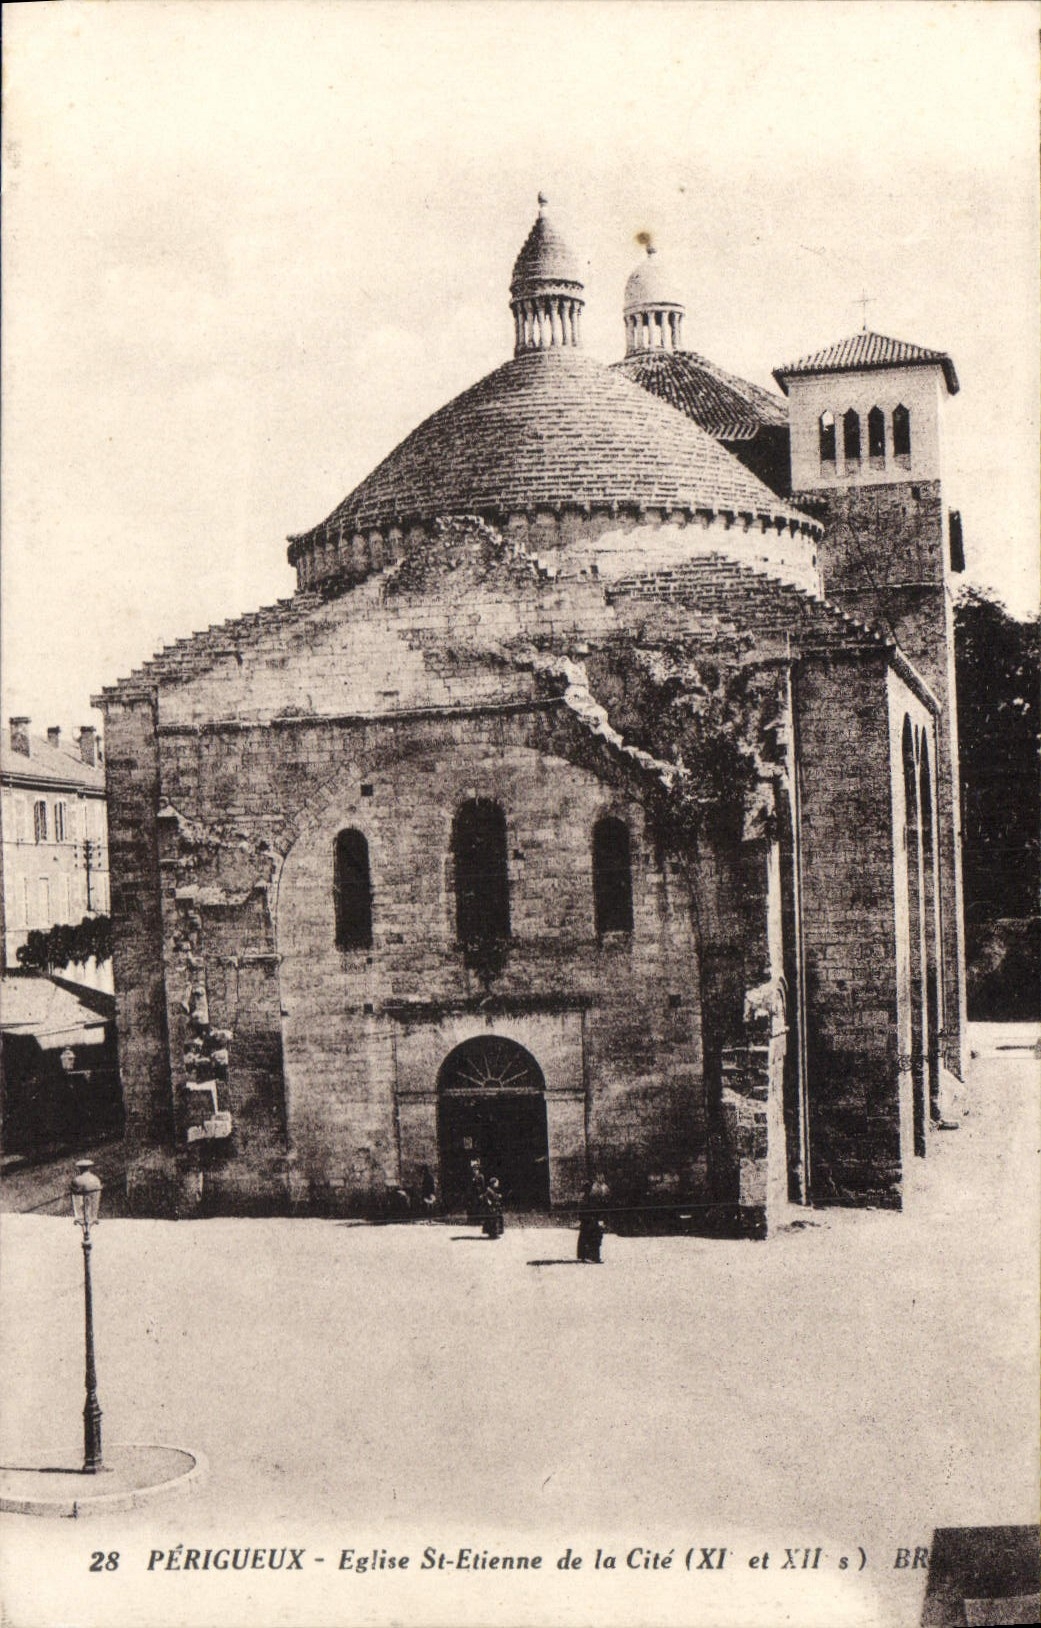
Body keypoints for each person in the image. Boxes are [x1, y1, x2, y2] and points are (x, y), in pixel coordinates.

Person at [577, 1177, 609, 1263]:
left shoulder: (601, 1188)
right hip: (589, 1215)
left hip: (593, 1215)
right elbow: (583, 1203)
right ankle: (589, 1256)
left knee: (594, 1235)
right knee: (590, 1234)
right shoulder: (590, 1188)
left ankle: (591, 1256)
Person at [466, 1158, 486, 1224]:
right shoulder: (472, 1177)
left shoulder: (481, 1176)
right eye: (474, 1170)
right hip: (473, 1194)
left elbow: (483, 1186)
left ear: (478, 1170)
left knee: (479, 1206)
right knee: (472, 1206)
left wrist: (482, 1194)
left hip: (479, 1193)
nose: (475, 1171)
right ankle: (472, 1220)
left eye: (476, 1170)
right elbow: (470, 1186)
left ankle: (479, 1220)